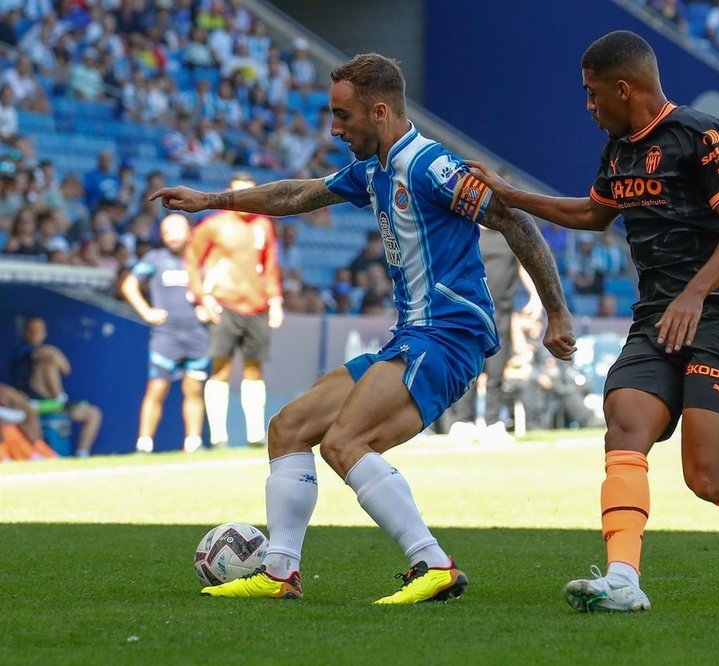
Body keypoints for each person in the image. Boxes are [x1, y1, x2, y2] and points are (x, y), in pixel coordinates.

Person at [149, 52, 575, 603]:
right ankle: (280, 571)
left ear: (379, 111)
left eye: (342, 116)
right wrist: (214, 201)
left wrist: (558, 311)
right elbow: (297, 194)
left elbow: (514, 219)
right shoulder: (374, 169)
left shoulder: (429, 166)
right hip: (412, 336)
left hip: (447, 335)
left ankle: (433, 564)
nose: (334, 128)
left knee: (347, 442)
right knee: (289, 427)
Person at [468, 30, 719, 613]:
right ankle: (623, 580)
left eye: (591, 93)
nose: (588, 106)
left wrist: (695, 295)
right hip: (657, 319)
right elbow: (591, 213)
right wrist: (511, 194)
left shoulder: (698, 134)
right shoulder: (618, 150)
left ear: (623, 87)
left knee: (707, 479)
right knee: (625, 424)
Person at [184, 173, 284, 448]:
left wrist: (275, 301)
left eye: (250, 193)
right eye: (239, 193)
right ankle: (219, 438)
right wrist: (203, 298)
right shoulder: (212, 225)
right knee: (221, 369)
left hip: (257, 306)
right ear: (229, 192)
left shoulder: (263, 224)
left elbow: (271, 266)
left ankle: (255, 435)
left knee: (254, 369)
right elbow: (191, 261)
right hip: (224, 305)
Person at [120, 213, 211, 454]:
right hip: (166, 335)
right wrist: (146, 311)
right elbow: (128, 285)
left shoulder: (200, 259)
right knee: (156, 388)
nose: (172, 237)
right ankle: (144, 443)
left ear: (189, 232)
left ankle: (193, 442)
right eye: (167, 232)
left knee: (193, 390)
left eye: (177, 231)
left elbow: (217, 287)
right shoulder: (154, 258)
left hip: (196, 334)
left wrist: (208, 308)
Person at [444, 222, 542, 444]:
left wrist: (536, 296)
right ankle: (462, 422)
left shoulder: (509, 233)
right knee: (469, 368)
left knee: (497, 371)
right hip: (470, 311)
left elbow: (525, 265)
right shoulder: (466, 233)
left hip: (502, 314)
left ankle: (492, 423)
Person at [9, 317, 103, 457]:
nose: (36, 333)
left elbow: (66, 369)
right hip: (32, 405)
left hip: (56, 404)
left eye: (40, 330)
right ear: (25, 332)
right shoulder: (22, 352)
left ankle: (81, 454)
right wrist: (53, 354)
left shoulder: (49, 352)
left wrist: (54, 354)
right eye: (33, 330)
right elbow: (45, 356)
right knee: (47, 363)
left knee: (94, 414)